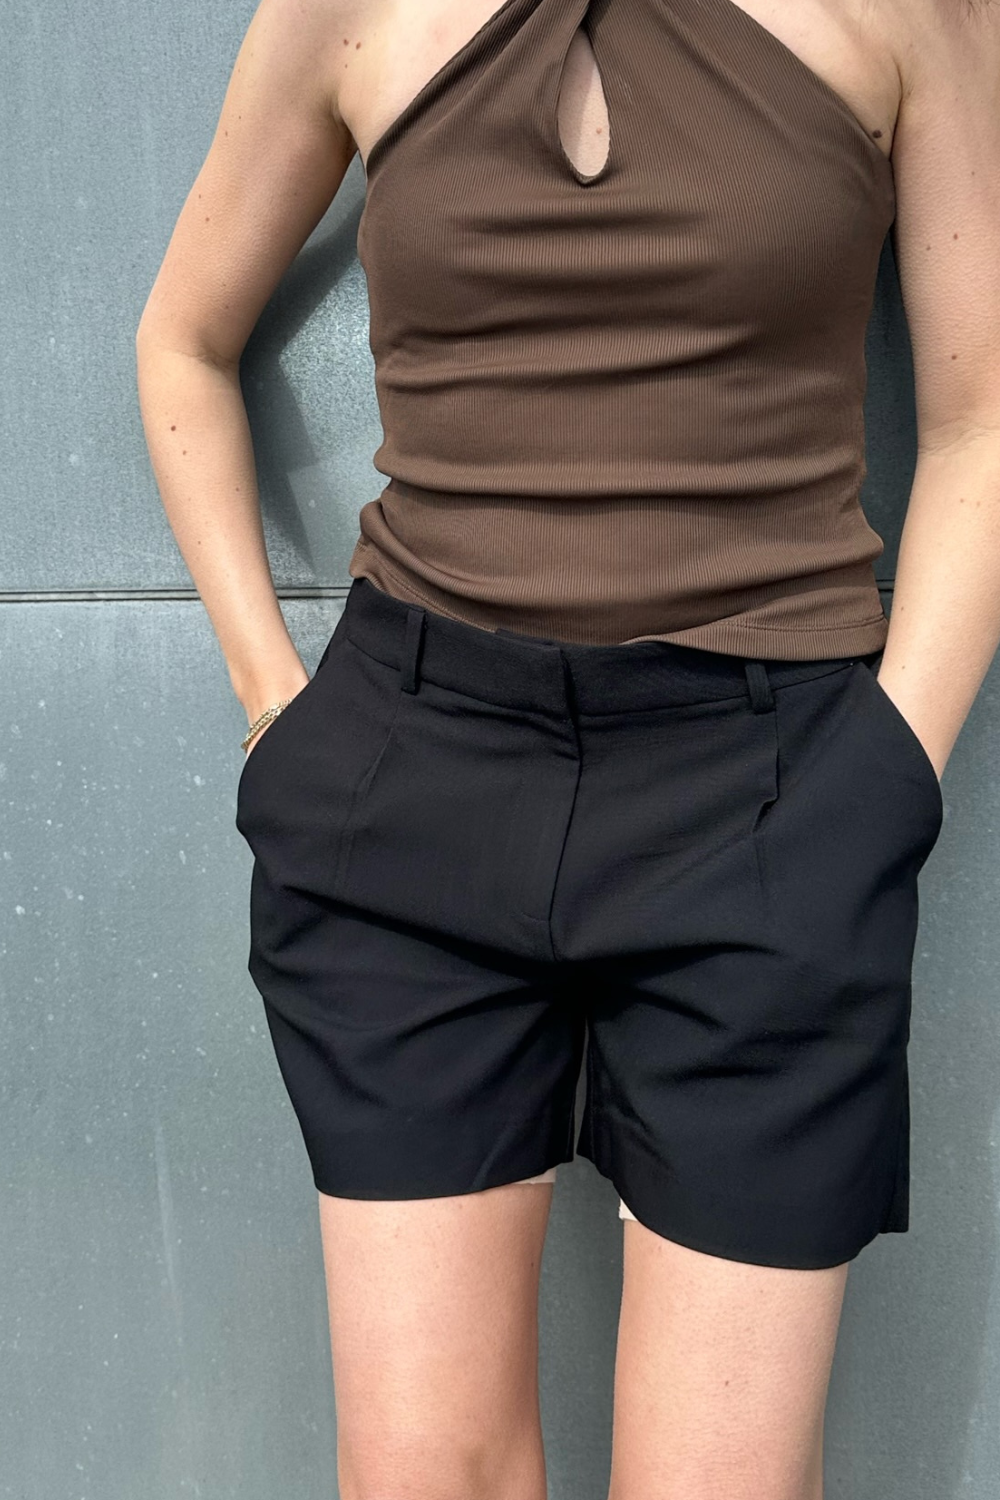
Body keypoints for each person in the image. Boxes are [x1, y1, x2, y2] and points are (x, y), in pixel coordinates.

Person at [135, 0, 1000, 1495]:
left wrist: (888, 773)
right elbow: (181, 341)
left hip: (771, 792)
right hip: (413, 791)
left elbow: (984, 418)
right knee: (426, 1476)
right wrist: (276, 707)